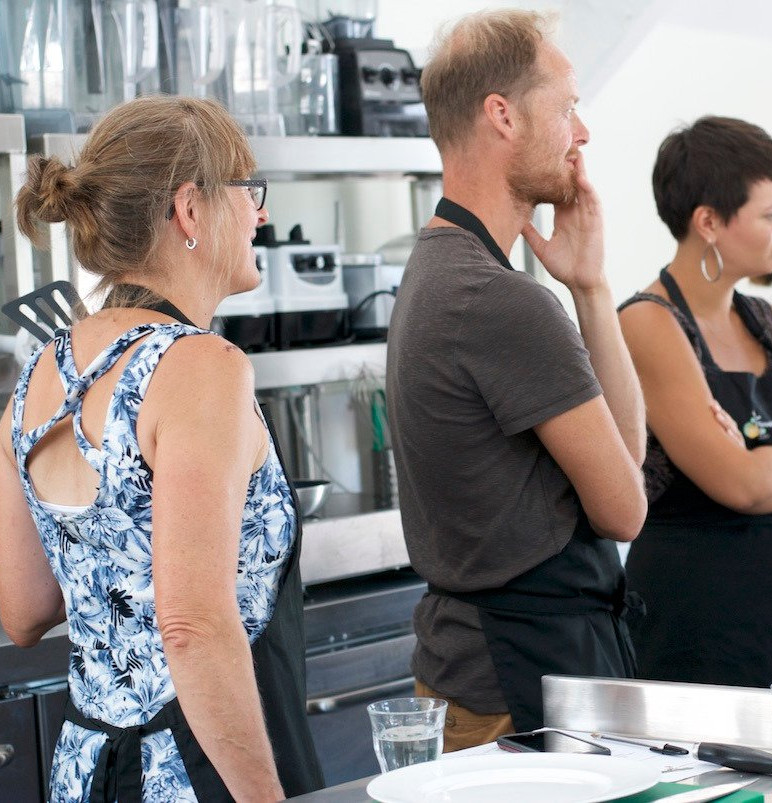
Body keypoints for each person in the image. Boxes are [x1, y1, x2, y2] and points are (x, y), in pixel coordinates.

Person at [0, 96, 323, 801]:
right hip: (200, 775)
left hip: (86, 772)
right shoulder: (203, 367)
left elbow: (21, 609)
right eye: (248, 192)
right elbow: (193, 625)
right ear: (190, 210)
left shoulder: (35, 380)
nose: (259, 214)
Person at [386, 10, 647, 750]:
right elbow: (627, 507)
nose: (582, 133)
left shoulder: (440, 268)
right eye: (567, 106)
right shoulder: (499, 301)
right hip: (517, 681)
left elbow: (624, 467)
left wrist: (591, 289)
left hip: (486, 671)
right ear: (502, 115)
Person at [618, 117, 772, 688]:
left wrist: (767, 474)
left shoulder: (768, 320)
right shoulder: (649, 323)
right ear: (709, 222)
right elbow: (743, 487)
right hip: (702, 622)